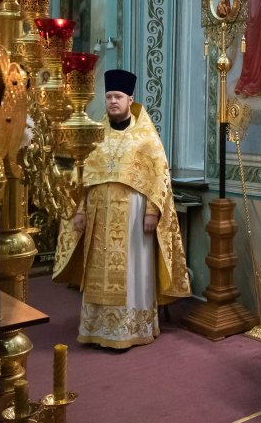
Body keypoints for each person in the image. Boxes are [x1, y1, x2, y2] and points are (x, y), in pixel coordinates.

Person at [52, 69, 190, 349]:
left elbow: (159, 176)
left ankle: (131, 328)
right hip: (98, 214)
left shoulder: (145, 137)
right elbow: (83, 176)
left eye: (118, 97)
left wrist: (152, 212)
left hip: (134, 216)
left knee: (134, 269)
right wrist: (80, 211)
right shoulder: (95, 135)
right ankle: (97, 328)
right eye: (109, 97)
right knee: (98, 268)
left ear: (130, 99)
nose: (113, 101)